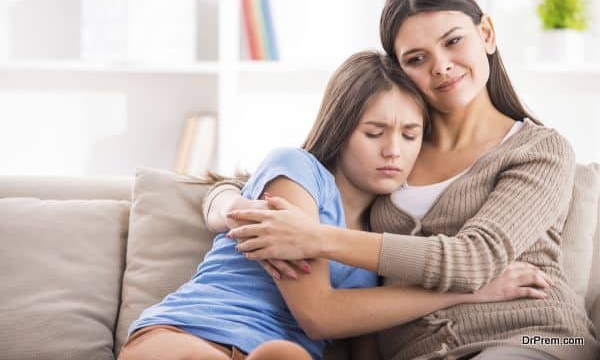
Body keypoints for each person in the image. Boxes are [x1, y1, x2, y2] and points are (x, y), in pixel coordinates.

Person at [205, 0, 599, 360]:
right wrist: (230, 204)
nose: (441, 65)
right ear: (399, 71)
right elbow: (269, 180)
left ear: (487, 34)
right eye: (416, 58)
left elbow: (474, 259)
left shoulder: (540, 150)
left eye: (453, 41)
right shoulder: (391, 153)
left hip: (537, 338)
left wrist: (315, 237)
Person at [119, 52, 549, 360]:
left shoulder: (382, 233)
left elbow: (364, 338)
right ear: (341, 131)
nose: (393, 151)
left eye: (410, 134)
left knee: (282, 355)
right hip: (193, 331)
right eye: (374, 132)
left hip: (284, 354)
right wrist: (464, 293)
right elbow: (320, 315)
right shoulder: (296, 170)